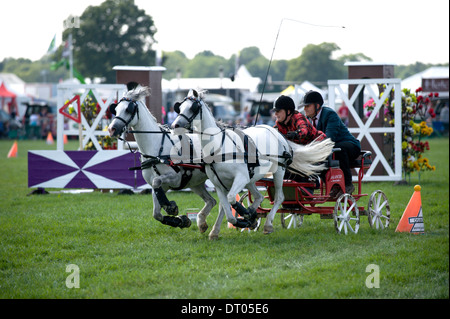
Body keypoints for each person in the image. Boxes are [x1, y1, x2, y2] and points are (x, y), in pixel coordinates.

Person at [300, 90, 361, 196]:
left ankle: (348, 184)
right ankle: (334, 186)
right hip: (332, 147)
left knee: (337, 149)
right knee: (316, 157)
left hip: (350, 146)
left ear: (317, 106)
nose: (305, 109)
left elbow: (329, 139)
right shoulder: (309, 120)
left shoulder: (330, 114)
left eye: (307, 106)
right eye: (304, 106)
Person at [273, 95, 326, 191]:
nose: (276, 114)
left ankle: (312, 180)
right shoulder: (279, 123)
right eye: (275, 111)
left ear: (288, 112)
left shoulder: (298, 117)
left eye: (278, 111)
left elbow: (304, 131)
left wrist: (295, 134)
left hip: (316, 145)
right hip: (300, 149)